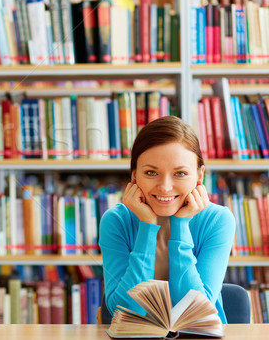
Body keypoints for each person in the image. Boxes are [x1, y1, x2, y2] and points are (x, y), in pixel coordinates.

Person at [99, 115, 235, 323]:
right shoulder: (116, 221)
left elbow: (196, 312)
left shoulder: (217, 220)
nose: (165, 187)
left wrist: (180, 225)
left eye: (180, 173)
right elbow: (124, 310)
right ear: (134, 176)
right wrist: (146, 226)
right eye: (151, 172)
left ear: (199, 176)